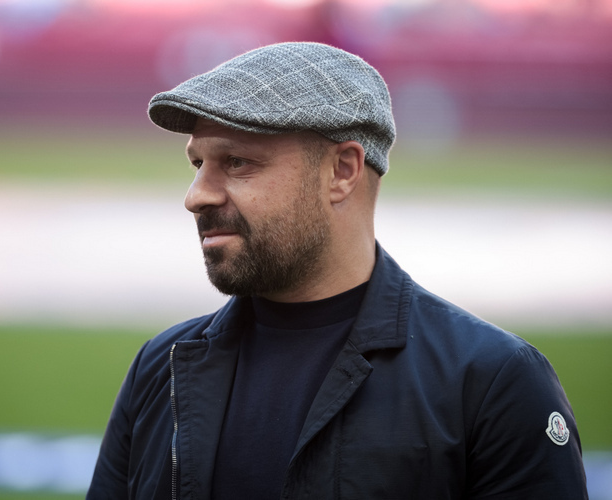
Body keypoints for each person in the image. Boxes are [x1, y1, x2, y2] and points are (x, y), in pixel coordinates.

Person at [87, 42, 587, 499]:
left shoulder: (492, 382)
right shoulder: (161, 368)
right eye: (197, 164)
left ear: (342, 171)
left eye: (237, 162)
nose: (197, 195)